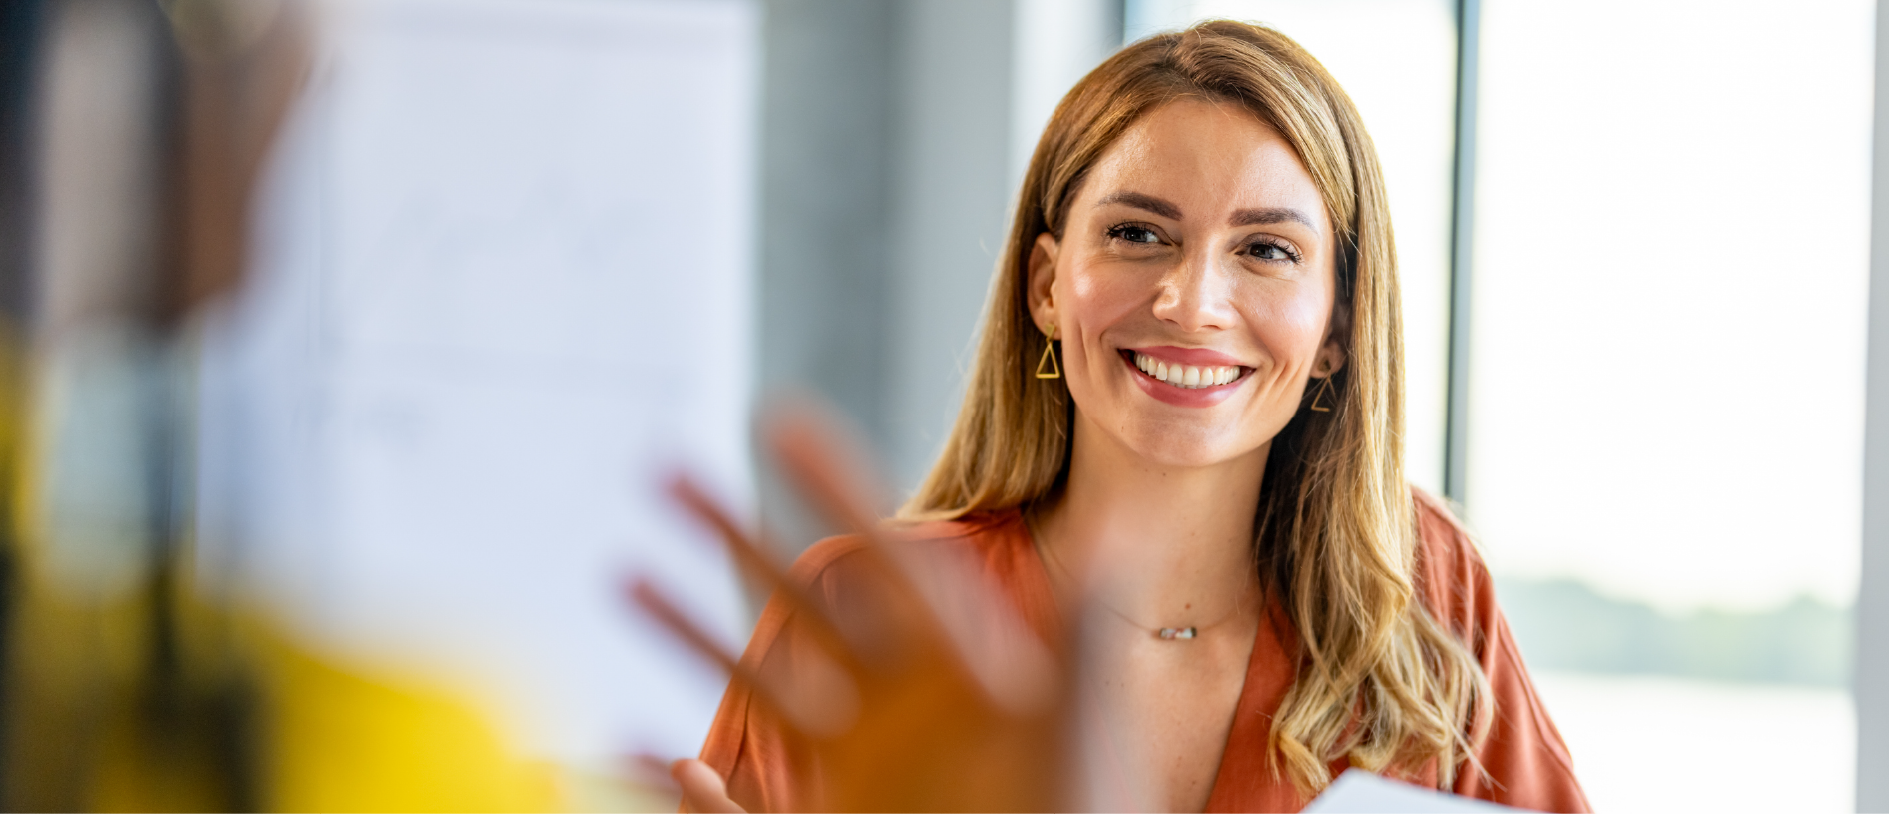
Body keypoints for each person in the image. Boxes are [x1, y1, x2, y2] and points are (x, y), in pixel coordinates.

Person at [671, 19, 1589, 814]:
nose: (1192, 304)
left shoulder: (1420, 593)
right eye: (1136, 234)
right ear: (1042, 287)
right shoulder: (869, 614)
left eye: (1266, 249)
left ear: (1337, 328)